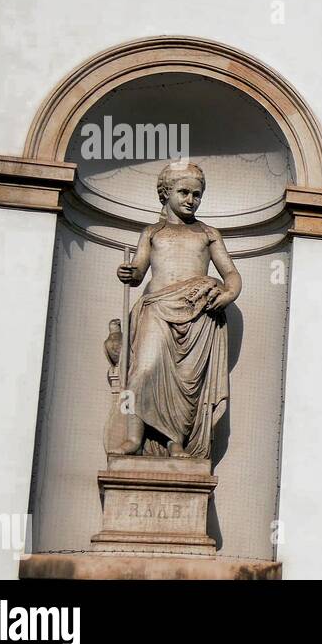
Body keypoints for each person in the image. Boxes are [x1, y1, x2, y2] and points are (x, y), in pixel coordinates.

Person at [113, 162, 241, 459]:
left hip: (198, 314)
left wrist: (229, 293)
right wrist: (129, 273)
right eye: (183, 192)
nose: (190, 199)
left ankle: (174, 442)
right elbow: (139, 272)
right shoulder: (152, 232)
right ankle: (133, 437)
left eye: (197, 194)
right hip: (157, 308)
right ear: (165, 193)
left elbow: (230, 273)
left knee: (186, 383)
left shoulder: (208, 234)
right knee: (143, 370)